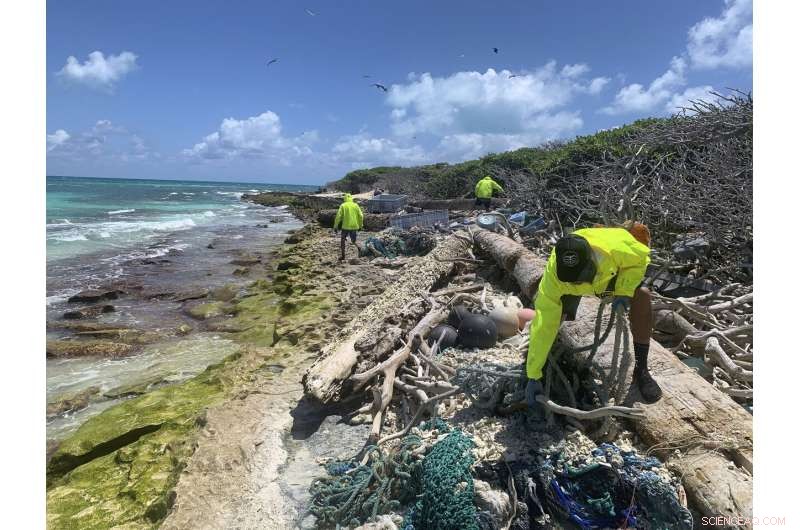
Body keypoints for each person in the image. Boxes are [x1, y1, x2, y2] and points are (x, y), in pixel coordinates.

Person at [525, 223, 662, 411]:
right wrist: (533, 375)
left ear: (592, 261)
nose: (580, 283)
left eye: (582, 277)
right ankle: (545, 358)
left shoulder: (618, 251)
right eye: (575, 280)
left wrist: (624, 290)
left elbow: (640, 261)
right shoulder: (555, 276)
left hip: (607, 275)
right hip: (568, 284)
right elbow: (543, 322)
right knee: (554, 318)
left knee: (643, 295)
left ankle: (642, 369)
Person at [333, 193, 364, 261]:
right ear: (351, 198)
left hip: (345, 227)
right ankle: (359, 248)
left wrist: (335, 226)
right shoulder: (356, 205)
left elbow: (338, 216)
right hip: (354, 226)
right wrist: (361, 225)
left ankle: (343, 256)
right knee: (353, 241)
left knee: (343, 240)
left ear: (345, 199)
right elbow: (361, 216)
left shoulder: (343, 205)